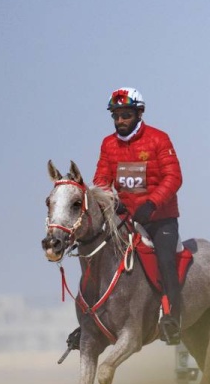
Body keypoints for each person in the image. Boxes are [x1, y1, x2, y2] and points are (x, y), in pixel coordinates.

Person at [65, 87, 183, 351]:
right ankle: (87, 320)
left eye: (126, 115)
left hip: (159, 218)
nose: (120, 121)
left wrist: (152, 203)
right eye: (116, 116)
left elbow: (174, 178)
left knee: (165, 260)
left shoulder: (159, 139)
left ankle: (172, 318)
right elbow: (101, 181)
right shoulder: (108, 144)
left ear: (139, 113)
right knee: (93, 255)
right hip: (124, 218)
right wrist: (111, 202)